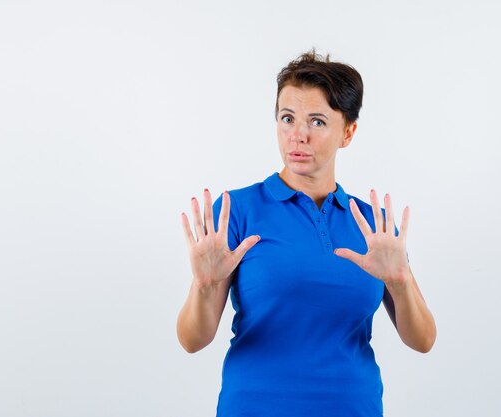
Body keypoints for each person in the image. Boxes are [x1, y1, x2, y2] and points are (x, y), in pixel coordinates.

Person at [176, 50, 436, 417]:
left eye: (316, 122)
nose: (297, 135)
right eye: (287, 118)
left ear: (347, 132)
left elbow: (422, 340)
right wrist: (203, 287)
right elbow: (192, 340)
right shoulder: (235, 212)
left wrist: (400, 281)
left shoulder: (372, 225)